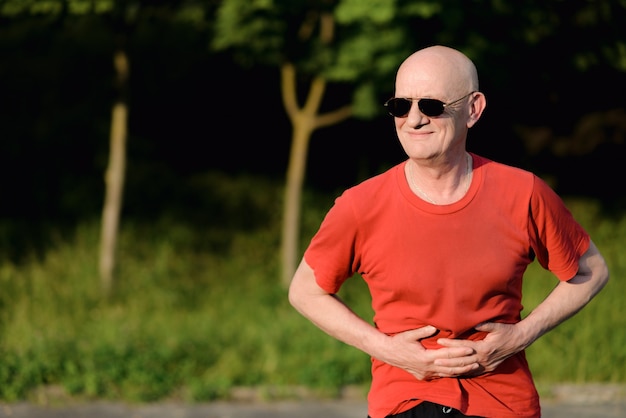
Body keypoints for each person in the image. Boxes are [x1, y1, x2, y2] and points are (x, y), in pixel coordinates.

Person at [287, 45, 609, 418]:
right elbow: (306, 291)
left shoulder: (523, 193)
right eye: (400, 106)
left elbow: (591, 270)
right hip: (404, 403)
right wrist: (389, 350)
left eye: (431, 106)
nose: (413, 119)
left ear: (473, 109)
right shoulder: (360, 205)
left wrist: (521, 335)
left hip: (502, 404)